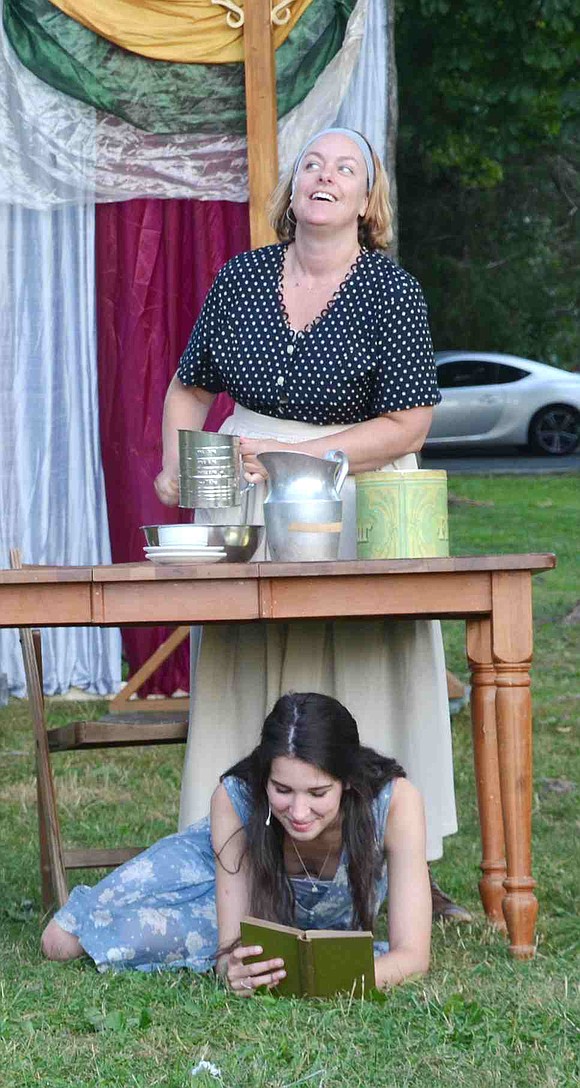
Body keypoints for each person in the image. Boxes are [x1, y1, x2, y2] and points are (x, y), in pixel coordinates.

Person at [154, 127, 469, 922]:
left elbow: (408, 424)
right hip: (249, 497)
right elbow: (190, 390)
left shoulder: (391, 292)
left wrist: (307, 456)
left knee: (366, 664)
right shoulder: (242, 278)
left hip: (353, 494)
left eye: (347, 168)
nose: (325, 176)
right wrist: (176, 465)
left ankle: (401, 867)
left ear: (369, 203)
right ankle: (244, 857)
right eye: (313, 165)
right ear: (292, 191)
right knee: (250, 662)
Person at [41, 693, 431, 988]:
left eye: (317, 794)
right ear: (264, 779)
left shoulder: (395, 803)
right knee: (61, 942)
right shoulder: (236, 798)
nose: (297, 811)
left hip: (273, 911)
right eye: (282, 789)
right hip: (217, 875)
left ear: (347, 782)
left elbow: (413, 955)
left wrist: (333, 983)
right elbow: (232, 949)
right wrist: (232, 967)